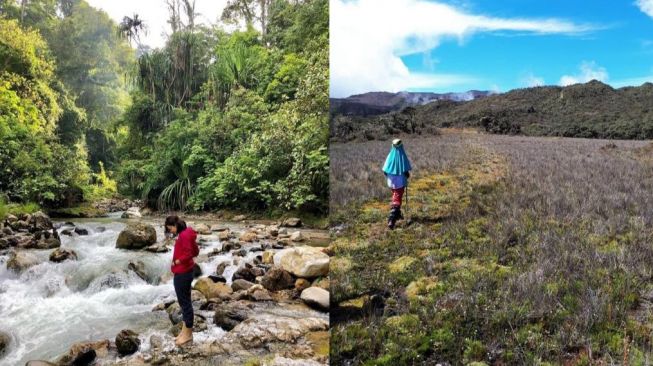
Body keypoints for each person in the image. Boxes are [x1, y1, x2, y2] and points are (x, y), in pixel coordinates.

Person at [165, 215, 199, 346]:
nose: (171, 231)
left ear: (175, 225)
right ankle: (185, 332)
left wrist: (176, 261)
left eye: (170, 229)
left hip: (183, 273)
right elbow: (196, 251)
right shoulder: (188, 233)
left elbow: (189, 253)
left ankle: (188, 334)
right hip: (187, 271)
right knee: (185, 302)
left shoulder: (183, 236)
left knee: (185, 304)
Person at [382, 139, 412, 229]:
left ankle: (398, 214)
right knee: (397, 197)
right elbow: (406, 171)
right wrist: (406, 174)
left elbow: (385, 170)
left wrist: (391, 176)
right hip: (400, 181)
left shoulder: (390, 156)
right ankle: (392, 218)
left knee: (396, 195)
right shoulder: (402, 155)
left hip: (391, 181)